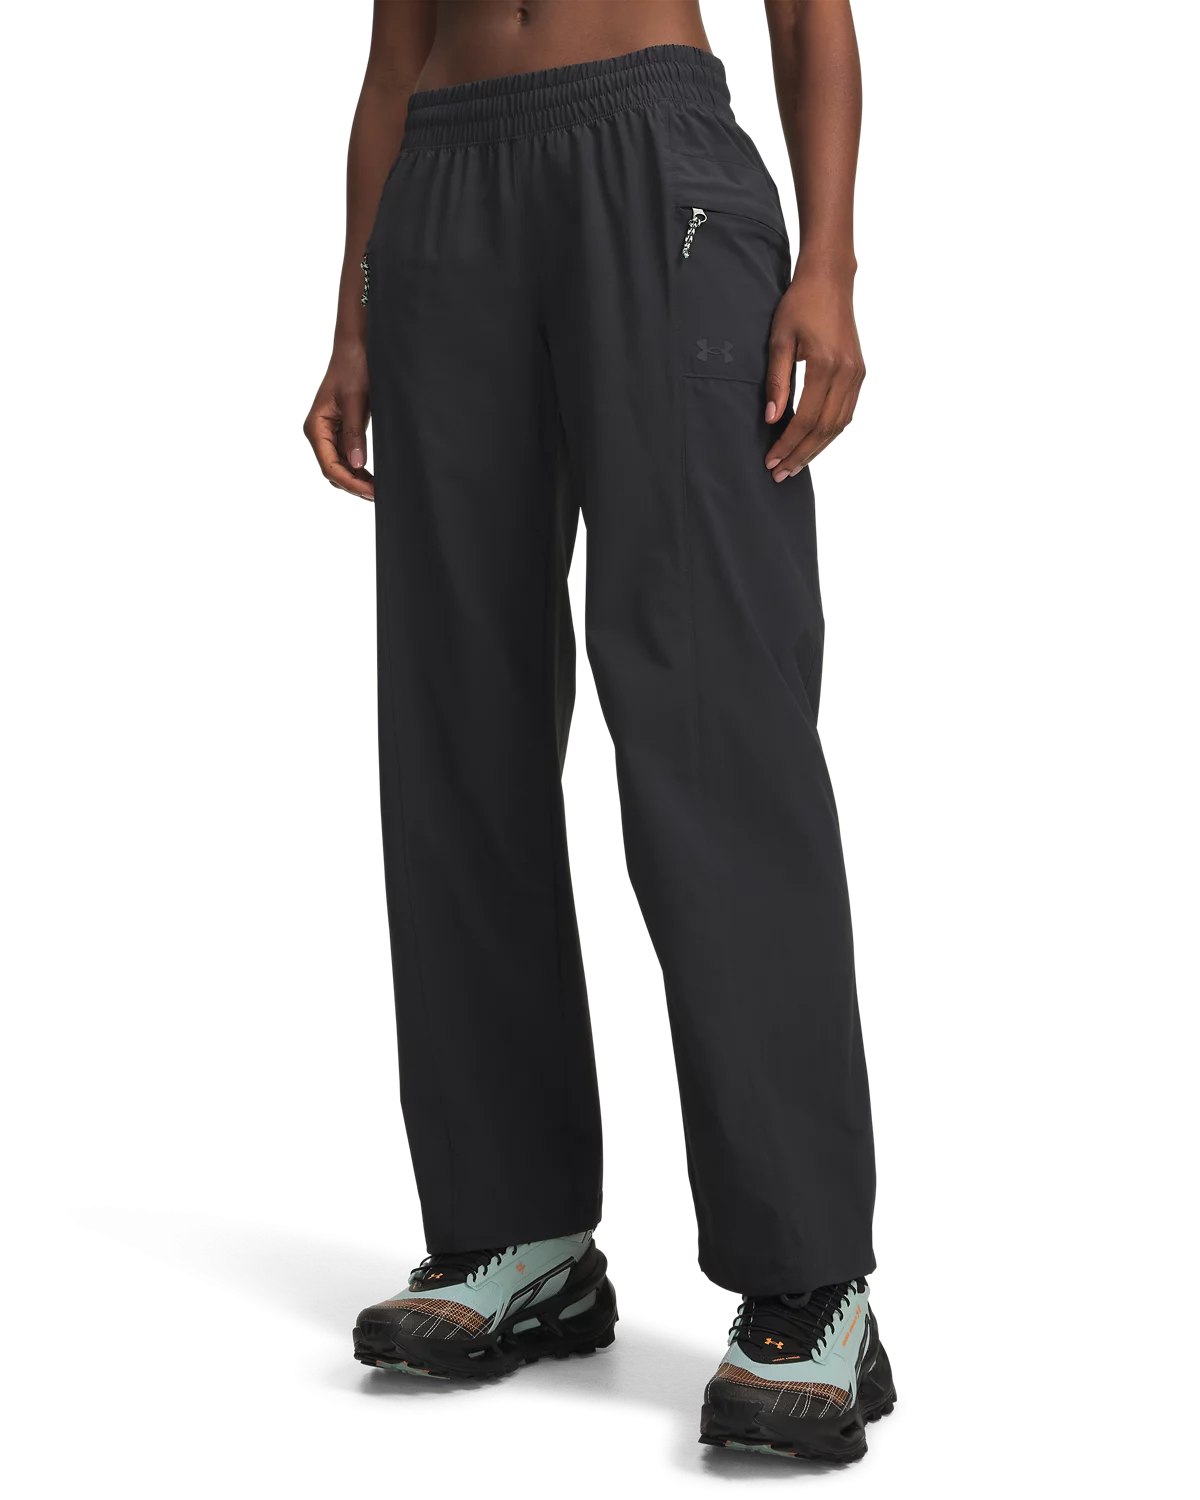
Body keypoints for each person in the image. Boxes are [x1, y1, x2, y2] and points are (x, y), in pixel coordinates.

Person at [303, 0, 894, 1462]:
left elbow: (809, 14)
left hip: (654, 162)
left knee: (714, 728)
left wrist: (828, 260)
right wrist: (353, 317)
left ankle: (810, 1282)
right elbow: (392, 58)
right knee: (457, 725)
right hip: (444, 185)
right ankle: (516, 1234)